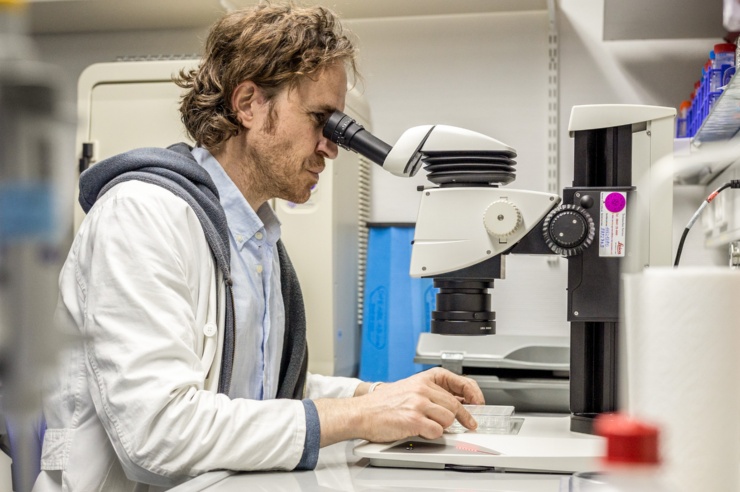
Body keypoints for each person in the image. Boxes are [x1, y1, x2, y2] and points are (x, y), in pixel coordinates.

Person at [35, 4, 484, 491]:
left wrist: (378, 394)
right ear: (248, 103)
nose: (331, 146)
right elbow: (158, 433)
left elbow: (257, 390)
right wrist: (359, 414)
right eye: (320, 120)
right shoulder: (143, 216)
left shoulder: (252, 237)